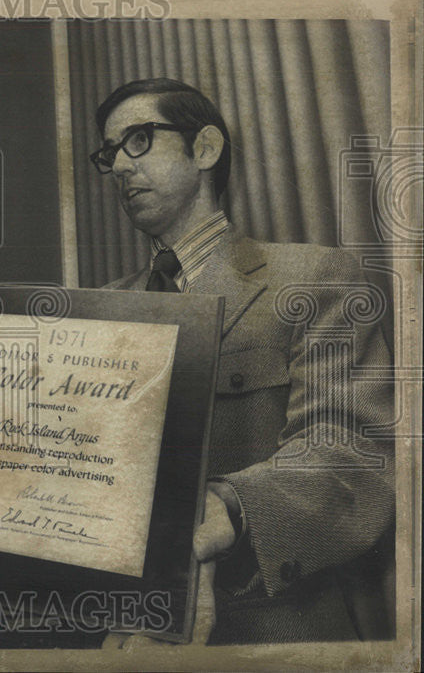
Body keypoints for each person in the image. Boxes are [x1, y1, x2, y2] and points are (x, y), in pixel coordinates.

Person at [92, 78, 394, 645]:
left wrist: (226, 506)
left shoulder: (313, 279)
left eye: (138, 140)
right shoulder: (104, 310)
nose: (118, 167)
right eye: (108, 154)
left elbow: (356, 461)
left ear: (205, 148)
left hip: (276, 634)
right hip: (124, 636)